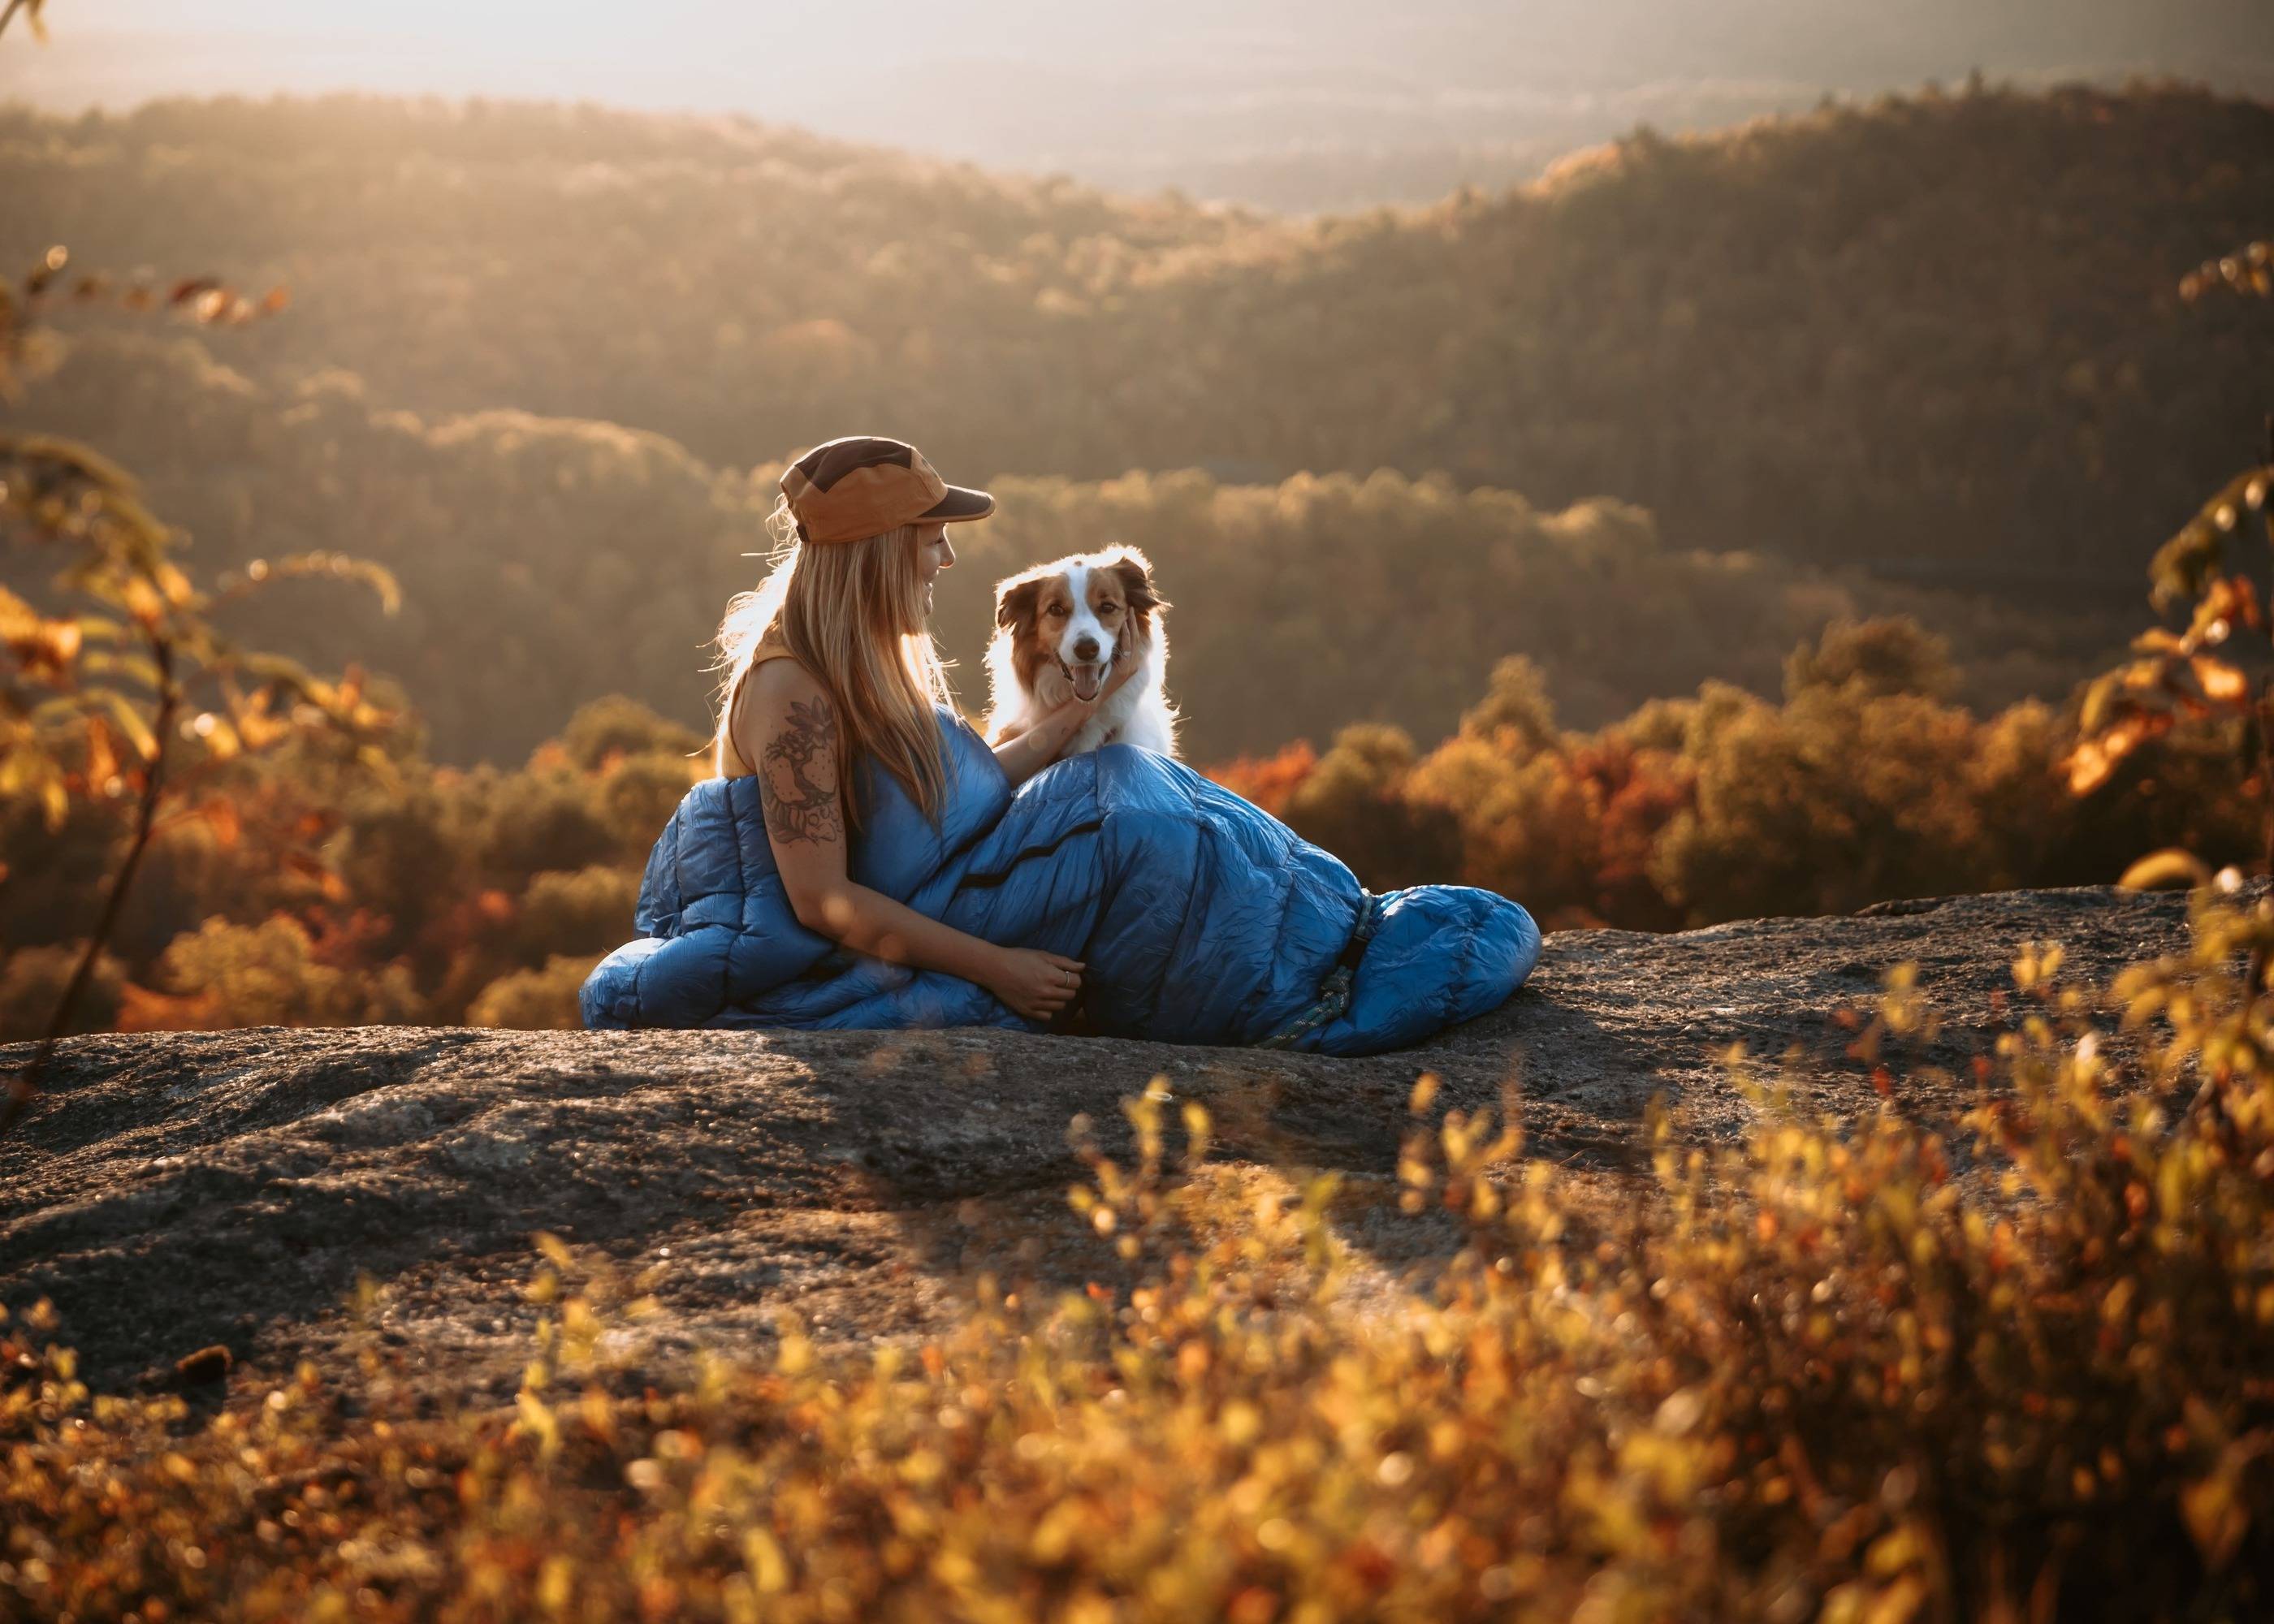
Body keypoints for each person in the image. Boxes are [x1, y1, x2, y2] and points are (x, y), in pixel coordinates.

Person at [583, 436, 1540, 1054]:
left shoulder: (863, 665)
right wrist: (996, 968)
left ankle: (1342, 928)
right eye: (931, 537)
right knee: (1139, 829)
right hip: (868, 949)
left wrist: (1073, 722)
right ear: (876, 547)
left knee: (1131, 779)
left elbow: (941, 804)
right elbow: (823, 901)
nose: (947, 557)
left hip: (936, 894)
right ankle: (1312, 983)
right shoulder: (793, 694)